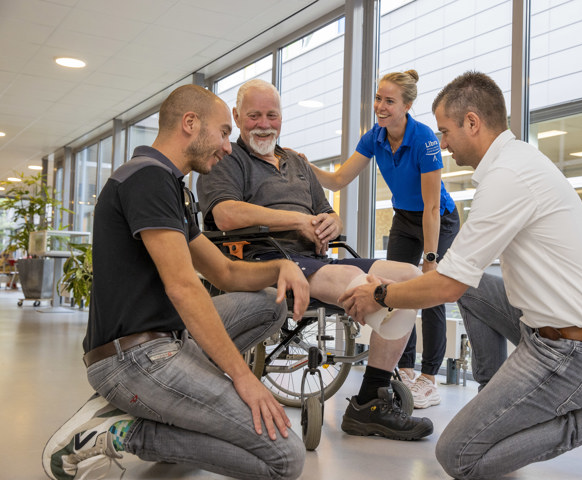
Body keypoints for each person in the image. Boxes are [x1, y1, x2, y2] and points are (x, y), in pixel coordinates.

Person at [339, 71, 582, 480]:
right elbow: (460, 280)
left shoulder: (508, 178)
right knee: (473, 291)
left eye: (446, 131)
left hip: (579, 351)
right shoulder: (516, 161)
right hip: (558, 331)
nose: (442, 144)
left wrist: (380, 295)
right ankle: (492, 394)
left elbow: (446, 285)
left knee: (458, 456)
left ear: (472, 122)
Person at [42, 84, 311, 480]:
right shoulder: (147, 179)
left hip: (168, 341)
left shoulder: (171, 186)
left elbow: (225, 273)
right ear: (190, 123)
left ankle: (175, 407)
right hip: (132, 360)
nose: (228, 147)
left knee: (269, 302)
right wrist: (243, 379)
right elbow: (183, 288)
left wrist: (280, 268)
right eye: (223, 132)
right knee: (285, 460)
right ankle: (123, 433)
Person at [196, 79, 433, 441]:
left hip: (316, 259)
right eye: (255, 115)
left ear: (281, 117)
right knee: (357, 278)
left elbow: (327, 212)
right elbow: (225, 214)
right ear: (237, 116)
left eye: (272, 115)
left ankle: (370, 400)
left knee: (410, 277)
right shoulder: (228, 159)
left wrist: (331, 222)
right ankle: (377, 327)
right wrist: (297, 221)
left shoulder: (297, 162)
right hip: (268, 260)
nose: (264, 124)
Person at [307, 70, 459, 409]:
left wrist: (431, 259)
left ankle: (429, 379)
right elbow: (338, 180)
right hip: (405, 218)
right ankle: (405, 370)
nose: (380, 106)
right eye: (378, 98)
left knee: (430, 291)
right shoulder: (374, 138)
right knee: (398, 289)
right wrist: (305, 165)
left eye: (389, 101)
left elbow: (432, 207)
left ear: (407, 106)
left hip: (438, 219)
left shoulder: (425, 140)